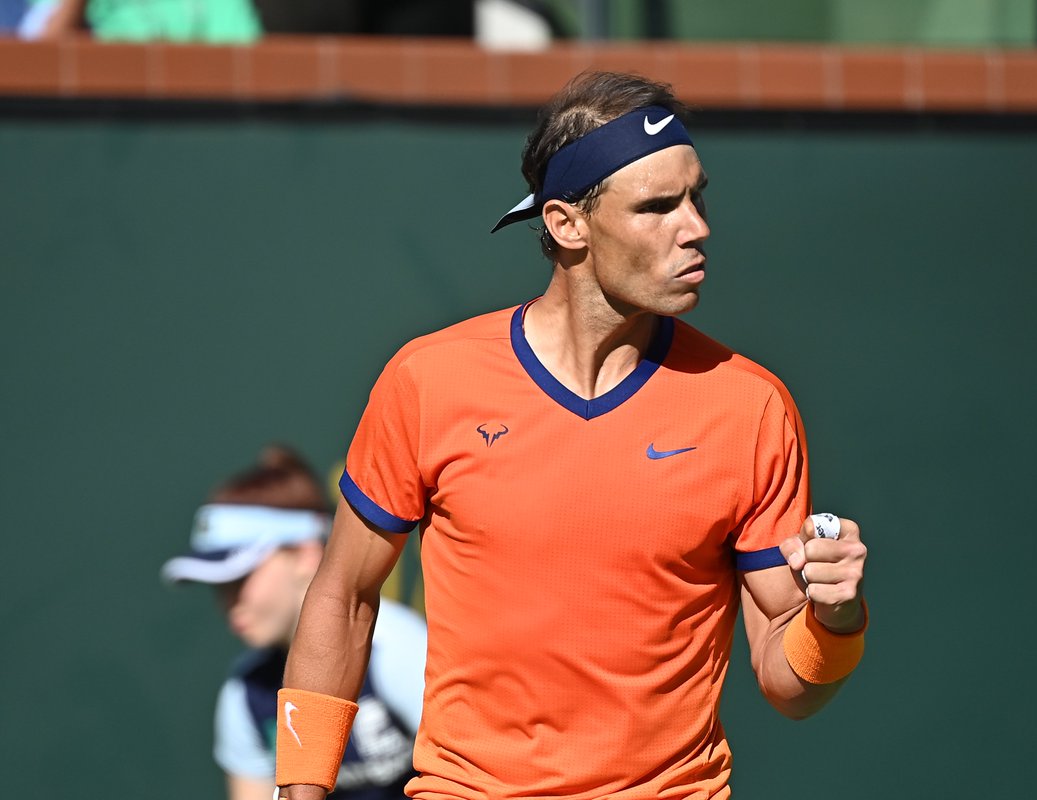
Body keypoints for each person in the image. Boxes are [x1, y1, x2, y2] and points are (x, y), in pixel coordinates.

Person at [276, 71, 869, 800]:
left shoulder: (751, 407)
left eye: (697, 195)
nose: (697, 227)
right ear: (566, 224)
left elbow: (788, 681)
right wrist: (300, 790)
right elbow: (344, 596)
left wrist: (835, 621)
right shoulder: (428, 381)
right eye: (658, 206)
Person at [162, 445, 427, 800]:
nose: (230, 602)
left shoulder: (395, 647)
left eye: (241, 577)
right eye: (220, 585)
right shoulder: (245, 692)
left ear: (305, 554)